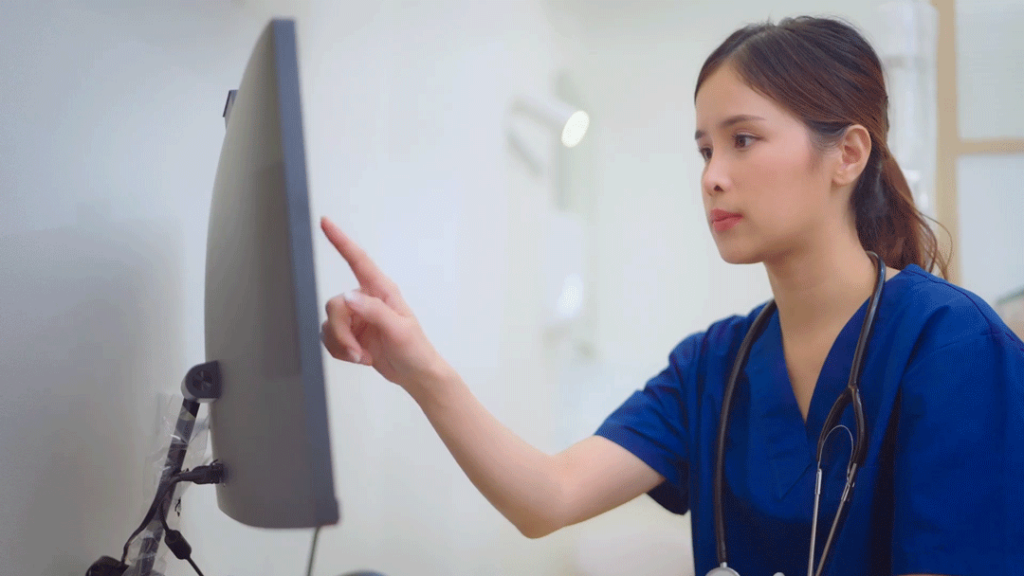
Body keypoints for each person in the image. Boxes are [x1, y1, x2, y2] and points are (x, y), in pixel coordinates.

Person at [318, 15, 1024, 576]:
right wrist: (420, 370)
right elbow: (549, 497)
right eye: (704, 150)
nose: (713, 176)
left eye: (742, 140)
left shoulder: (953, 345)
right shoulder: (714, 363)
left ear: (847, 154)